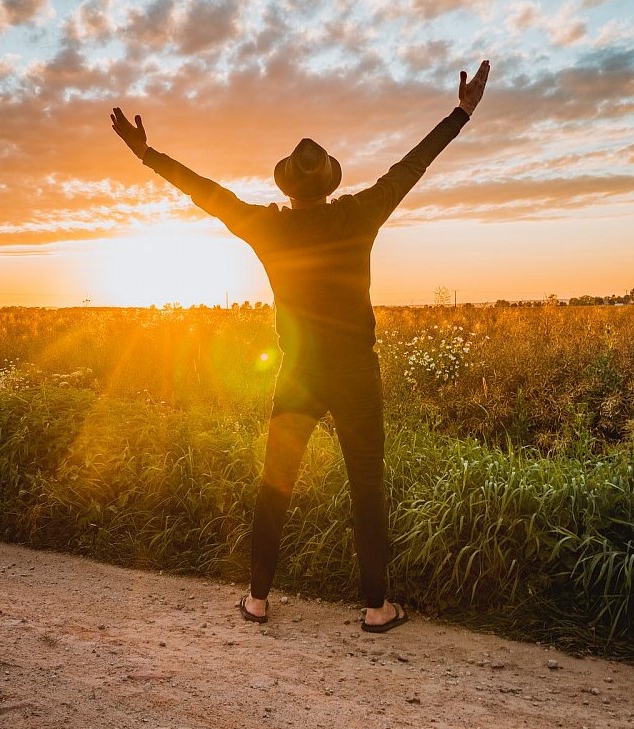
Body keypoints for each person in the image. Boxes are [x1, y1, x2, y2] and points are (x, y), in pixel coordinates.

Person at [111, 60, 490, 632]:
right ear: (330, 181)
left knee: (276, 482)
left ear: (287, 186)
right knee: (367, 484)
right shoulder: (361, 213)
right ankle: (375, 608)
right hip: (356, 372)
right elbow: (412, 166)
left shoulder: (268, 227)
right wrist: (460, 113)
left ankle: (258, 599)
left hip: (298, 372)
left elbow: (205, 193)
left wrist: (146, 154)